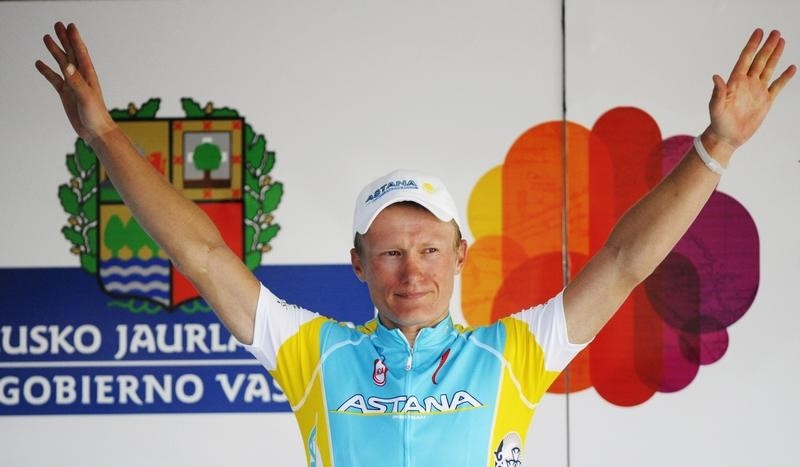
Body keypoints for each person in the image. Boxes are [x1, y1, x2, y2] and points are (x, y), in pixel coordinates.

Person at [37, 22, 794, 466]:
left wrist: (715, 148)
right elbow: (201, 255)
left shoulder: (515, 353)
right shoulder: (312, 351)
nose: (412, 270)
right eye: (391, 251)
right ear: (358, 263)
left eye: (430, 248)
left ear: (462, 254)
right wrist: (104, 134)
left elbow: (627, 259)